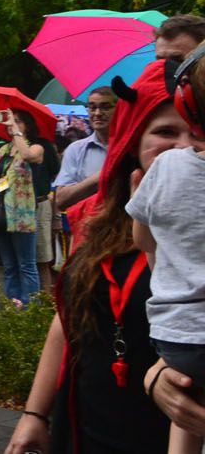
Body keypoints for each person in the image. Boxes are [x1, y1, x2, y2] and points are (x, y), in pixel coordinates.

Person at [5, 58, 188, 454]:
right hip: (84, 426)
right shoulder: (100, 217)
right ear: (134, 143)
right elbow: (69, 317)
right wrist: (35, 414)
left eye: (198, 132)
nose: (183, 148)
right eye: (166, 132)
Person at [126, 52, 205, 454]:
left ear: (187, 104)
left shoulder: (167, 167)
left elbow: (142, 239)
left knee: (187, 407)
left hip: (177, 341)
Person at [0, 109, 49, 304]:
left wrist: (14, 130)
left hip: (22, 216)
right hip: (1, 215)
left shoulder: (37, 147)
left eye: (18, 121)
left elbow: (27, 155)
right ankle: (13, 309)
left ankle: (31, 312)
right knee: (9, 266)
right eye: (11, 121)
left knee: (26, 265)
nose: (11, 124)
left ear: (28, 126)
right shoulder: (2, 149)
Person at [53, 87, 114, 210]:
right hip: (89, 224)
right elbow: (60, 200)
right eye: (92, 107)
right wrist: (100, 177)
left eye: (105, 107)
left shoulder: (134, 148)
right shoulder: (75, 150)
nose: (97, 113)